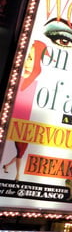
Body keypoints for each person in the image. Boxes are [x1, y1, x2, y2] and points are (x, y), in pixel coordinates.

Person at [2, 40, 45, 180]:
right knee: (21, 153)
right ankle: (18, 176)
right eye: (27, 58)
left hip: (25, 128)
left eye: (31, 59)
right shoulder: (17, 82)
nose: (26, 63)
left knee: (21, 153)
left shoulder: (35, 85)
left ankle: (8, 167)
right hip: (19, 126)